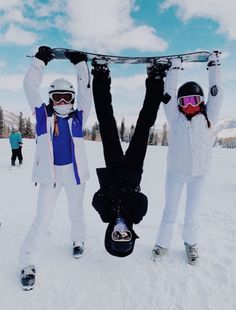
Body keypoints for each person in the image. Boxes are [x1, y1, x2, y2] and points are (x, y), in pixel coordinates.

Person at [19, 46, 92, 290]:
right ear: (50, 98)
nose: (62, 102)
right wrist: (40, 62)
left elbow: (86, 94)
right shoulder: (42, 116)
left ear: (72, 99)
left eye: (67, 97)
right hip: (50, 177)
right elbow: (29, 87)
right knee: (42, 219)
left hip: (74, 174)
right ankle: (28, 263)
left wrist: (81, 66)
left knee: (76, 212)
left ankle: (78, 241)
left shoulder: (79, 117)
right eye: (57, 97)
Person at [91, 59, 168, 257]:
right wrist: (122, 199)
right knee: (144, 125)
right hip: (134, 167)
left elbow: (96, 200)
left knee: (106, 122)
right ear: (132, 234)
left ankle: (100, 75)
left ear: (110, 234)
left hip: (113, 165)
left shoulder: (106, 214)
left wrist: (113, 201)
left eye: (117, 235)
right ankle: (156, 78)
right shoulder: (137, 215)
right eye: (126, 235)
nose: (121, 231)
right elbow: (141, 199)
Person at [152, 52, 223, 265]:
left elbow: (217, 93)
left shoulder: (209, 116)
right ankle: (162, 243)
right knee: (170, 211)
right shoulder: (175, 117)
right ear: (180, 103)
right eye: (185, 101)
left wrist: (214, 67)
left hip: (199, 174)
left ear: (201, 101)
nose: (190, 105)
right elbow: (169, 95)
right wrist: (173, 69)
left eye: (195, 100)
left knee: (192, 214)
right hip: (175, 172)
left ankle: (190, 243)